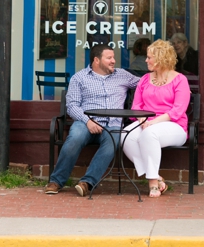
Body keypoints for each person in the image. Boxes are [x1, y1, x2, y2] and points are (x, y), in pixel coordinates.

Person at [43, 43, 139, 197]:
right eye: (109, 58)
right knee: (75, 137)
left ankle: (87, 183)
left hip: (113, 124)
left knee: (112, 142)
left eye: (113, 57)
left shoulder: (123, 75)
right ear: (96, 60)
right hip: (85, 122)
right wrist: (88, 121)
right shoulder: (79, 78)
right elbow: (72, 106)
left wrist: (170, 81)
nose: (113, 60)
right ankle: (56, 181)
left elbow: (146, 85)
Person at [122, 39, 191, 198]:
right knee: (124, 135)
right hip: (146, 123)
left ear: (161, 58)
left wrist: (153, 122)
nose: (146, 60)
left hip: (174, 126)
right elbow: (136, 107)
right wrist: (143, 121)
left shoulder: (180, 80)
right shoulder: (145, 79)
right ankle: (157, 177)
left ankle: (152, 184)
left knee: (149, 134)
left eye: (149, 57)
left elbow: (178, 110)